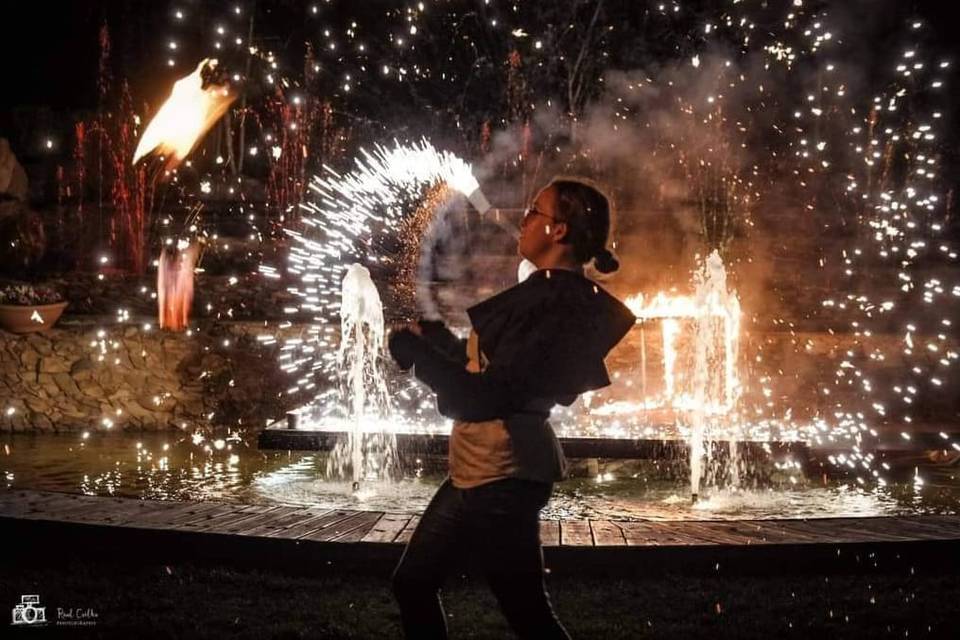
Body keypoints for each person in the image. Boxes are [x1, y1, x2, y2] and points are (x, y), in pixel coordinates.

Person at [387, 177, 637, 639]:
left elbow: (482, 398)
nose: (523, 220)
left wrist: (415, 353)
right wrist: (439, 342)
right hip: (479, 471)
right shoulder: (546, 296)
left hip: (504, 478)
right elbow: (494, 370)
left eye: (535, 212)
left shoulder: (556, 307)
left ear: (558, 231)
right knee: (414, 583)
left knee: (527, 613)